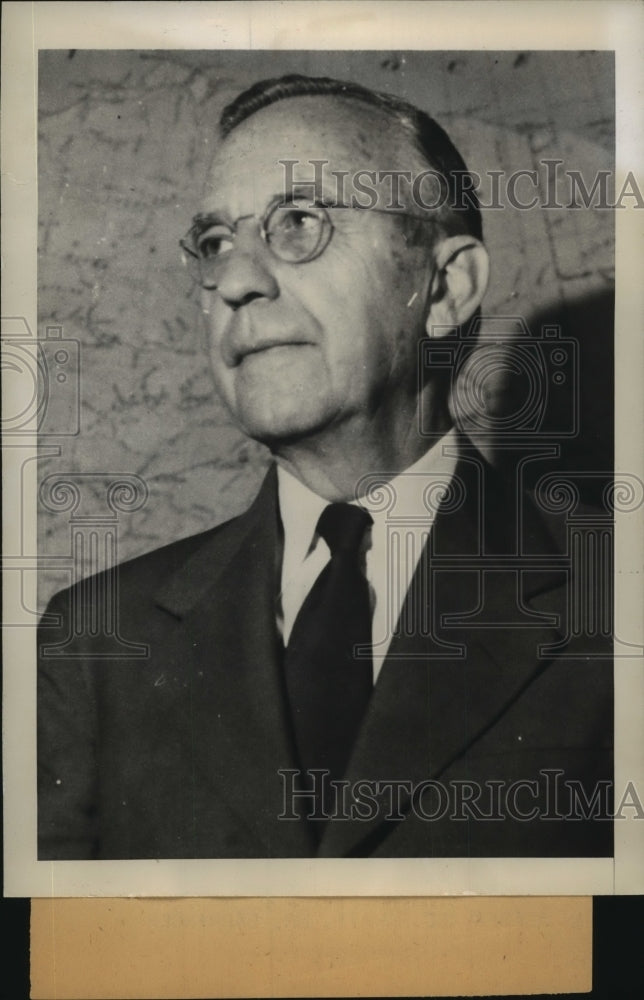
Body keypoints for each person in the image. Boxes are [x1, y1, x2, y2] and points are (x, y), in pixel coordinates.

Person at [38, 74, 613, 860]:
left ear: (443, 288)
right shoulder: (96, 642)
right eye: (214, 245)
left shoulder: (615, 607)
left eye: (299, 221)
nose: (236, 280)